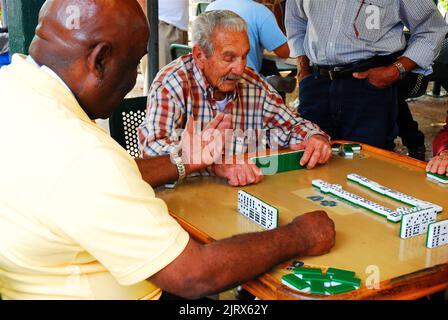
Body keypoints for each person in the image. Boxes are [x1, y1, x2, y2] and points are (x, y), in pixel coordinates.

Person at [0, 0, 336, 300]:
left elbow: (111, 176)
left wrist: (187, 160)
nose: (134, 80)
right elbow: (194, 276)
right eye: (134, 64)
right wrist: (299, 235)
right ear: (100, 60)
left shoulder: (12, 89)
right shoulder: (83, 154)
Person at [138, 10, 332, 187]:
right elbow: (152, 152)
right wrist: (211, 163)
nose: (240, 69)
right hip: (183, 202)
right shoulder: (172, 84)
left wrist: (313, 137)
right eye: (229, 58)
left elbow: (291, 126)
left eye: (244, 56)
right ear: (199, 55)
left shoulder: (251, 83)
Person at [286, 0, 448, 150]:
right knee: (311, 157)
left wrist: (395, 70)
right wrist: (303, 68)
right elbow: (296, 20)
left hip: (369, 87)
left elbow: (431, 28)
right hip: (316, 84)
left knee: (367, 164)